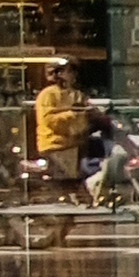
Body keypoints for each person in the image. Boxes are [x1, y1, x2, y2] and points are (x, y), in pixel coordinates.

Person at [32, 62, 88, 191]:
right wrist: (72, 114)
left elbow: (84, 119)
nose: (73, 75)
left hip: (74, 146)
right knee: (62, 185)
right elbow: (48, 120)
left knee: (74, 184)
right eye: (70, 71)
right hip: (55, 147)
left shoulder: (76, 94)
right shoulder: (48, 94)